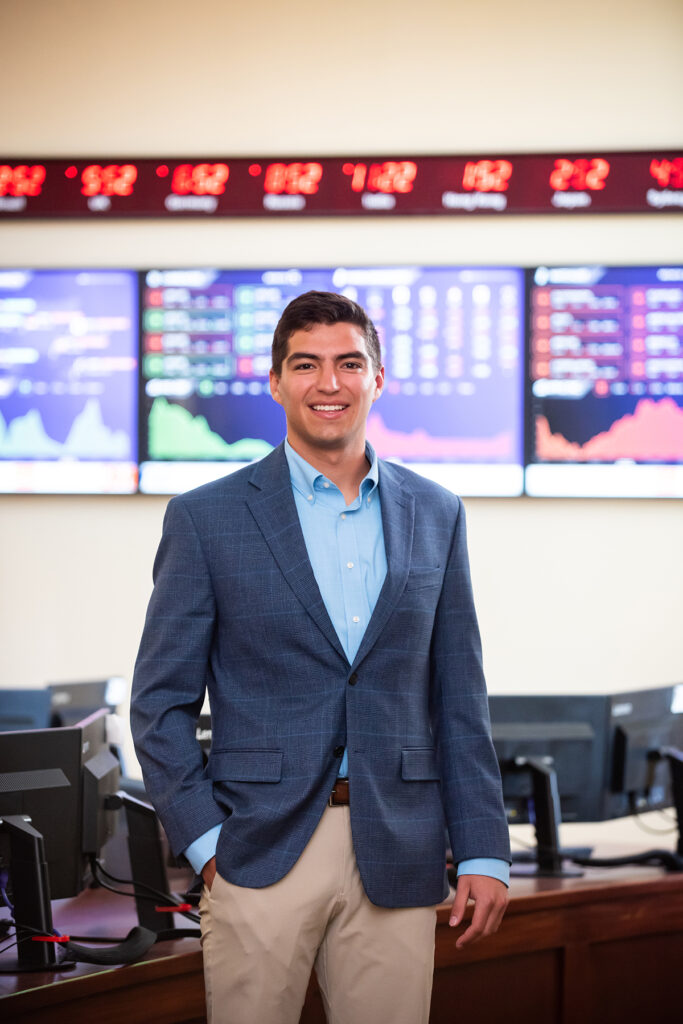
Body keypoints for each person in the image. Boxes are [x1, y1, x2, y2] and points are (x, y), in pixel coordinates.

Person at [131, 290, 510, 1024]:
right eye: (305, 365)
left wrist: (483, 850)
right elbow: (159, 703)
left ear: (377, 377)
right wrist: (209, 845)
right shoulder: (205, 519)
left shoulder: (436, 512)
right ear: (275, 382)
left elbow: (458, 698)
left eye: (348, 363)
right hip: (257, 849)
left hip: (398, 850)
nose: (328, 383)